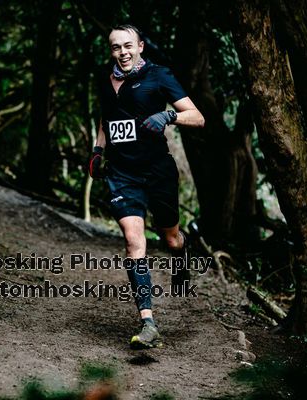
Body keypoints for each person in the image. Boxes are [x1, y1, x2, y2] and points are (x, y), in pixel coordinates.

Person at [89, 24, 205, 349]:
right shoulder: (104, 77)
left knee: (170, 237)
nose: (122, 52)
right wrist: (99, 150)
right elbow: (106, 117)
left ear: (140, 46)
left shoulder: (158, 75)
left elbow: (198, 117)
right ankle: (148, 322)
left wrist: (168, 117)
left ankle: (182, 252)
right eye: (115, 47)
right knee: (133, 240)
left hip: (157, 171)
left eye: (128, 45)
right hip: (122, 173)